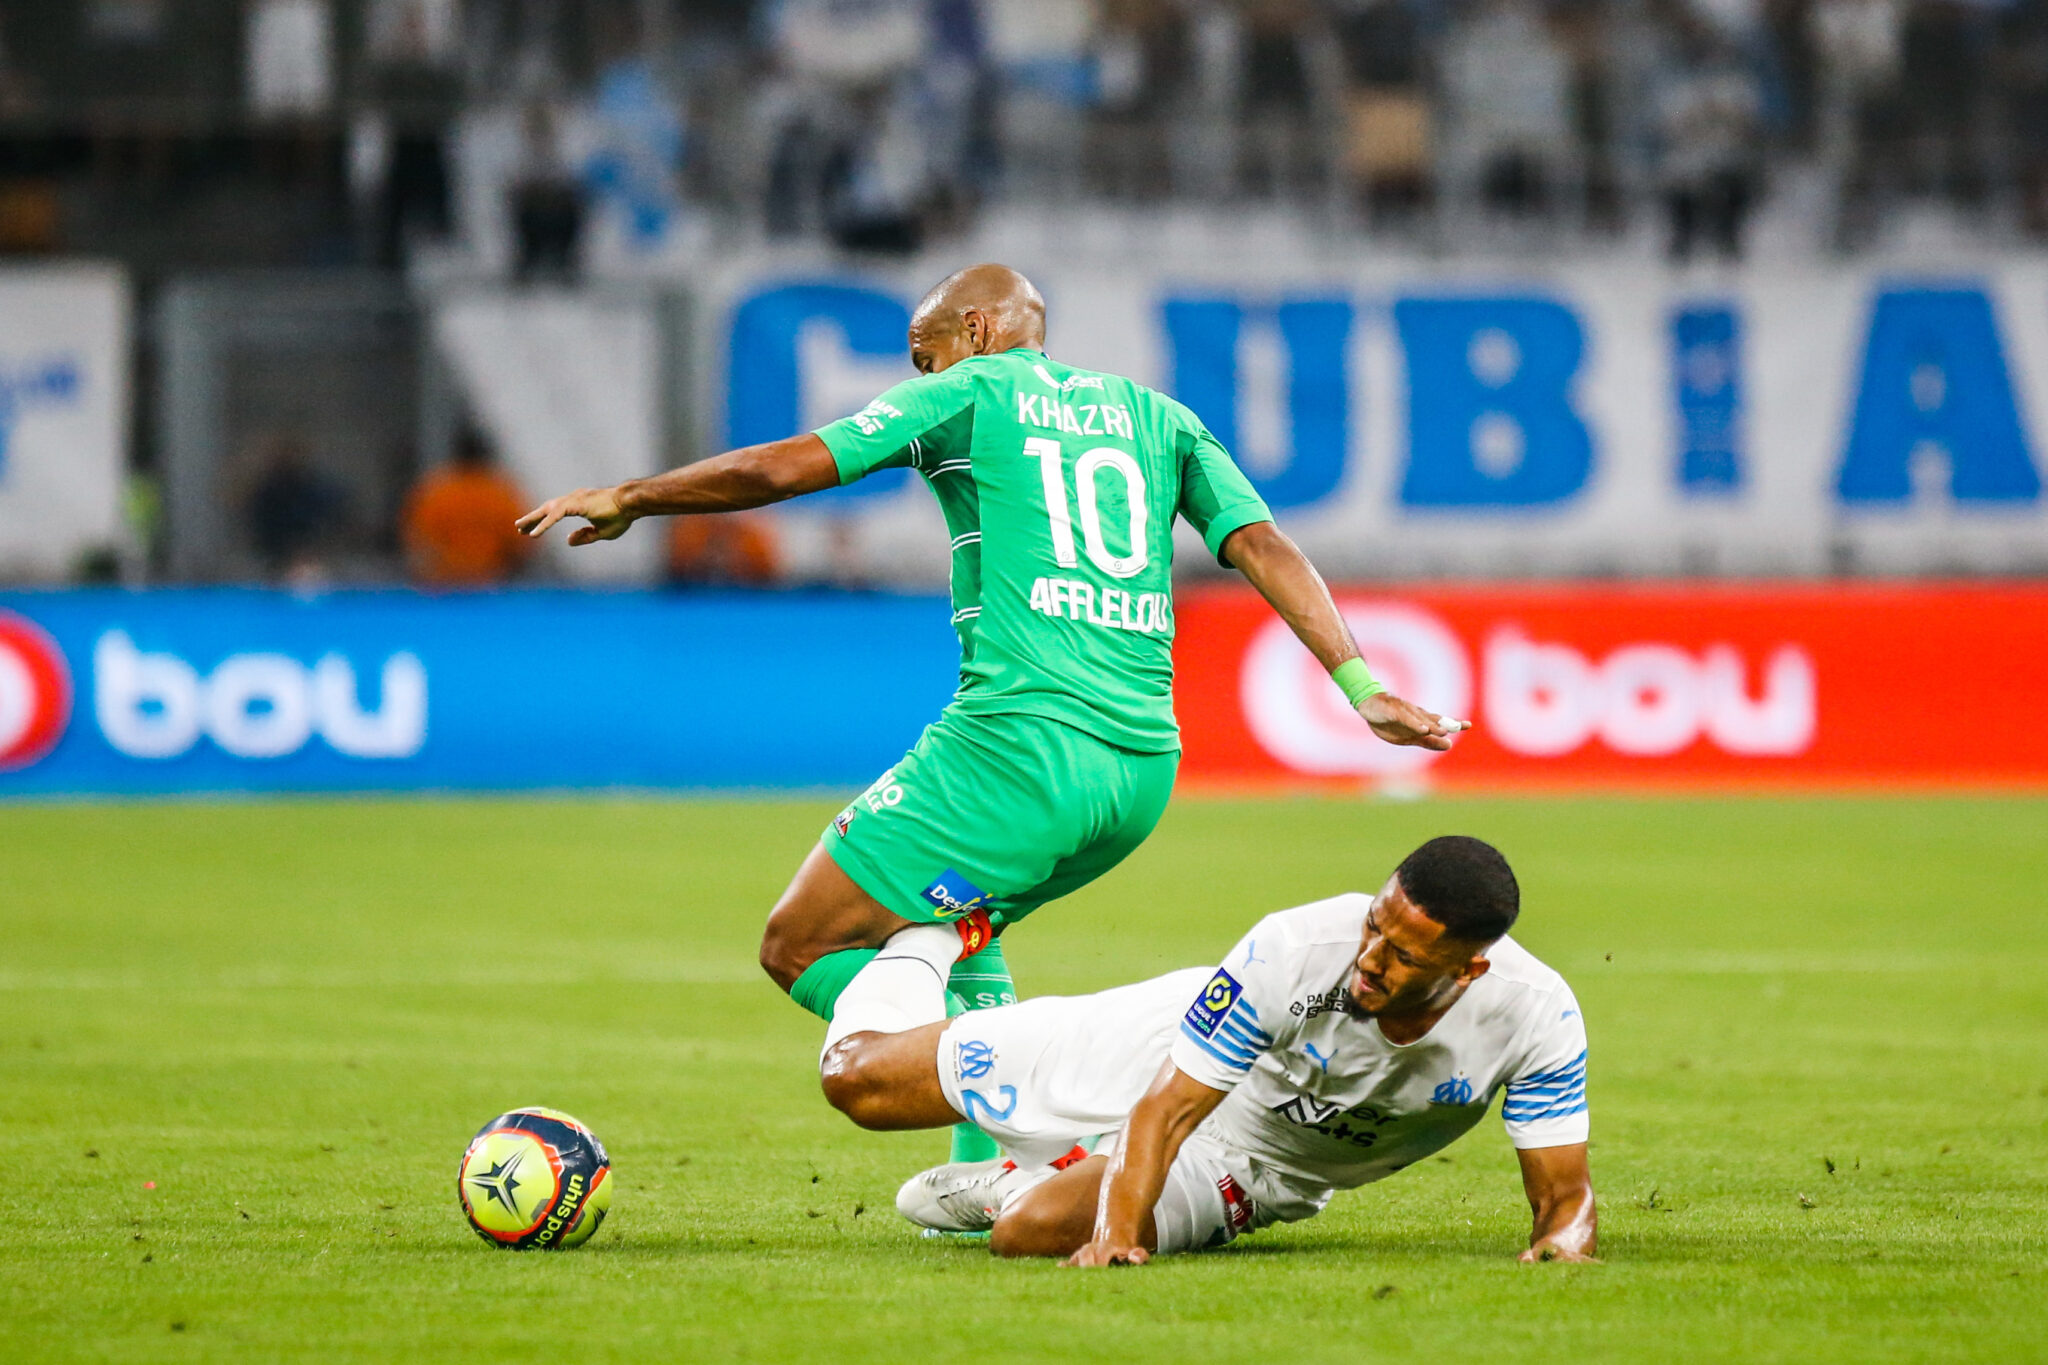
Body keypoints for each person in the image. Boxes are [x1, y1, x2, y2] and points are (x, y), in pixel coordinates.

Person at [515, 264, 1468, 1166]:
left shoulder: (972, 390)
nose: (917, 379)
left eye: (923, 357)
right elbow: (1259, 540)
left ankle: (1070, 1076)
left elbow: (785, 471)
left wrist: (634, 497)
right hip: (1138, 773)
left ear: (974, 331)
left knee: (802, 941)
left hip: (1017, 747)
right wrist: (1358, 685)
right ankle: (995, 1169)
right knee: (963, 930)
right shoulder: (1159, 417)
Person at [824, 836, 1597, 1265]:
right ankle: (932, 938)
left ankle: (1021, 1179)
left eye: (1404, 956)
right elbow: (1168, 1103)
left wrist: (1562, 1244)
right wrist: (1117, 1240)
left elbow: (1564, 1199)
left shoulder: (1536, 1017)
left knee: (1022, 1233)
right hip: (1177, 1043)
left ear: (1468, 969)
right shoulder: (1295, 946)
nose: (1370, 957)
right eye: (1374, 925)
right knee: (859, 1080)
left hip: (1259, 1164)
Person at [401, 427, 533, 587]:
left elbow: (418, 540)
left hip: (443, 583)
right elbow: (522, 544)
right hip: (490, 581)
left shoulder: (437, 493)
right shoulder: (502, 494)